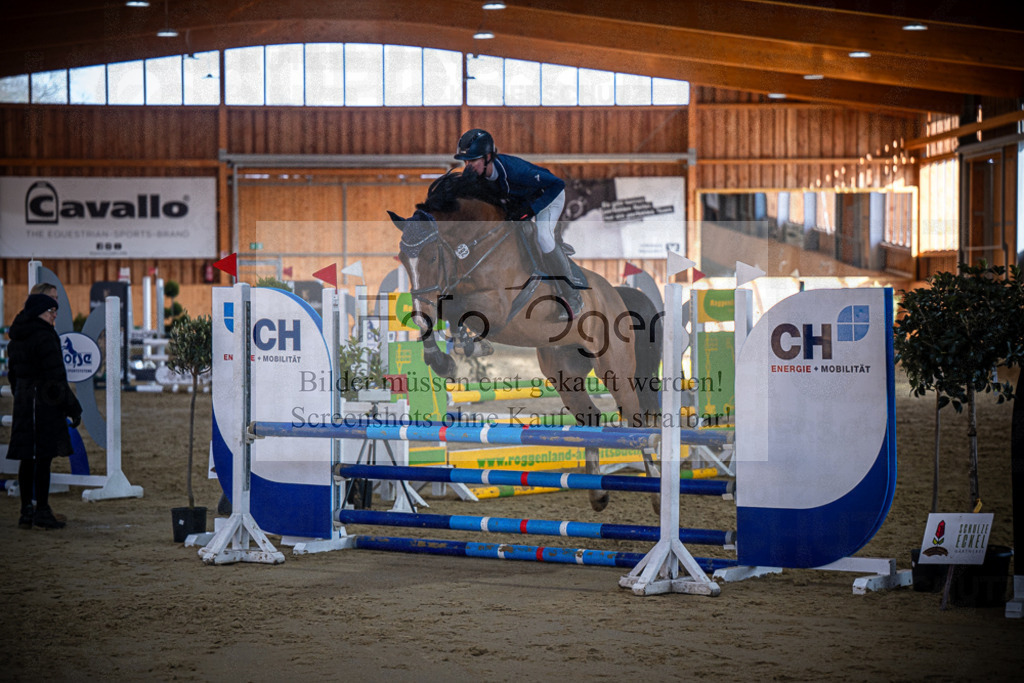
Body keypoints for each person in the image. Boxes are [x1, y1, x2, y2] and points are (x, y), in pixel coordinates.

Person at [454, 128, 583, 317]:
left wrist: (530, 210)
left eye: (473, 160)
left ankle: (572, 296)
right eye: (466, 161)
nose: (468, 166)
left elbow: (557, 184)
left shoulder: (514, 170)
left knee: (543, 237)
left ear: (488, 157)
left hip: (548, 197)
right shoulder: (479, 178)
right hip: (523, 201)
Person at [6, 292, 82, 529]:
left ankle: (26, 509)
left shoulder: (17, 337)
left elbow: (12, 375)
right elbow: (56, 377)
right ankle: (43, 509)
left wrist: (21, 394)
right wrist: (72, 407)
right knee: (43, 458)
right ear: (40, 312)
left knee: (27, 457)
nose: (54, 316)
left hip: (23, 401)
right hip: (44, 402)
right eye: (51, 312)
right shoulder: (45, 337)